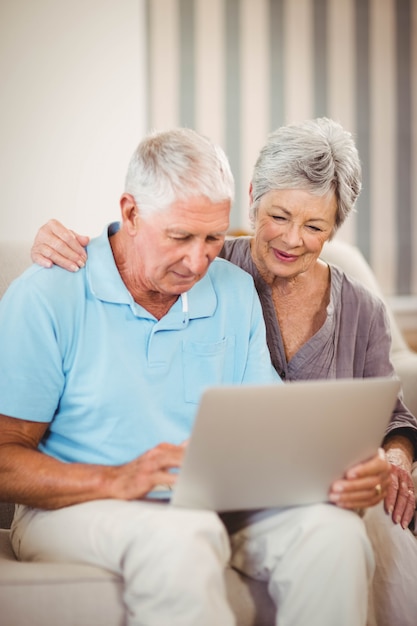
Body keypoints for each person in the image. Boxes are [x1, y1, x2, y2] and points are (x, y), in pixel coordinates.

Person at [31, 118, 417, 626]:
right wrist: (59, 241)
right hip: (209, 494)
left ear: (336, 228)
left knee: (362, 529)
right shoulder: (209, 268)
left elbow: (389, 413)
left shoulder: (359, 308)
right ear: (254, 198)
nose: (294, 239)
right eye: (280, 216)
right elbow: (137, 242)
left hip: (299, 492)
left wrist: (390, 458)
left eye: (317, 227)